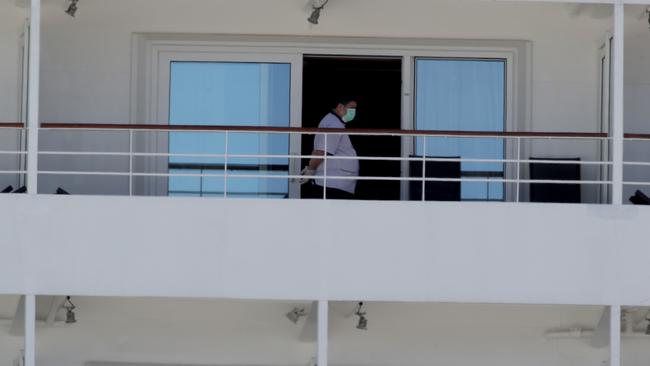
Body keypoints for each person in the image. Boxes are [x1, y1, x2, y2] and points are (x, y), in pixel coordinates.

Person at [300, 98, 359, 199]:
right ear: (340, 107)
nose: (353, 112)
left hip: (334, 183)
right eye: (352, 108)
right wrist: (311, 169)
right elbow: (321, 151)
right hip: (332, 184)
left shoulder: (335, 122)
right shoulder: (333, 124)